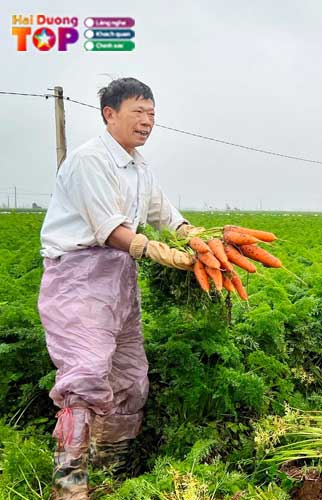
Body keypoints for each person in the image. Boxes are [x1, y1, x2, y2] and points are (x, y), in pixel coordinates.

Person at [38, 78, 204, 499]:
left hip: (119, 279)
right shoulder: (88, 161)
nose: (147, 121)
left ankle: (110, 466)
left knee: (131, 378)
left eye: (152, 113)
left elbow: (164, 213)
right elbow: (108, 228)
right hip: (78, 276)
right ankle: (70, 483)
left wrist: (196, 237)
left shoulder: (139, 167)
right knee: (87, 375)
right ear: (109, 114)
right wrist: (153, 249)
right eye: (138, 112)